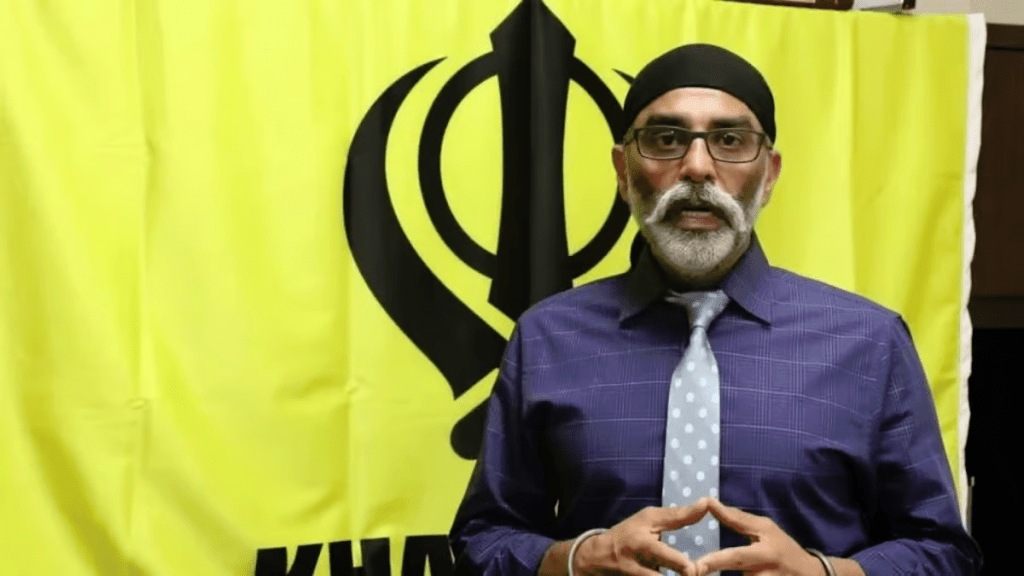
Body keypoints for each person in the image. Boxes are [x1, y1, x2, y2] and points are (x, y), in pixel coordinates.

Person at [448, 43, 982, 576]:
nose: (698, 167)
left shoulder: (870, 342)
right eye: (666, 139)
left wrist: (825, 574)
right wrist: (573, 561)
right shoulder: (547, 338)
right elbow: (481, 540)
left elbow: (944, 554)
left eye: (729, 140)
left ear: (769, 174)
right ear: (623, 170)